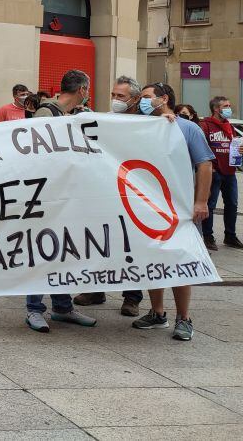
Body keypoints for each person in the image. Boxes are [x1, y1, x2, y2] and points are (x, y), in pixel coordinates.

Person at [131, 83, 214, 340]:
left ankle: (184, 317)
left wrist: (201, 202)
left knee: (181, 260)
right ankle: (157, 312)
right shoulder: (139, 126)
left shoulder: (188, 129)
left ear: (163, 99)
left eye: (146, 97)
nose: (142, 102)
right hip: (148, 208)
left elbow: (205, 165)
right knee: (151, 258)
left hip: (179, 209)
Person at [24, 68, 96, 332]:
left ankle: (63, 307)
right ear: (82, 90)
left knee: (63, 250)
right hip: (46, 195)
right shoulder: (47, 113)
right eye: (87, 89)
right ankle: (34, 309)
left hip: (65, 195)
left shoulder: (74, 115)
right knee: (42, 250)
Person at [74, 76, 146, 315]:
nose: (115, 100)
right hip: (106, 191)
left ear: (135, 99)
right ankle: (96, 289)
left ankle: (132, 297)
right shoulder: (105, 120)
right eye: (113, 95)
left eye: (121, 96)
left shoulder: (149, 124)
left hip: (133, 193)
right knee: (101, 241)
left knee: (132, 245)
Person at [200, 96, 243, 251]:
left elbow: (232, 144)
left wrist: (238, 150)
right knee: (210, 205)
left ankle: (230, 236)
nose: (229, 108)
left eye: (229, 105)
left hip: (229, 171)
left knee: (232, 204)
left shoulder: (230, 126)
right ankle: (208, 236)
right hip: (214, 171)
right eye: (226, 106)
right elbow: (201, 147)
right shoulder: (205, 125)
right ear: (216, 109)